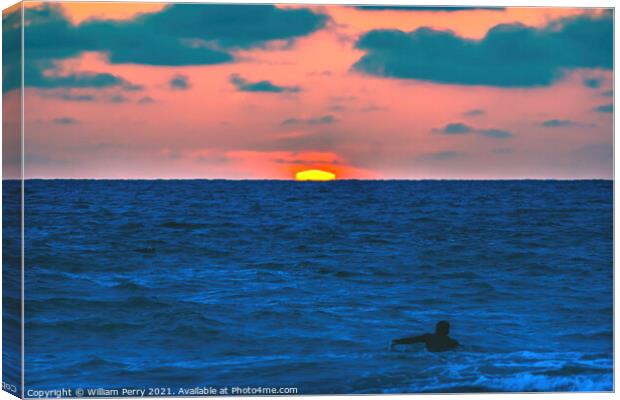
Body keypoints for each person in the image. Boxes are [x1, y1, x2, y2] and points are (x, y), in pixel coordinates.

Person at [391, 321, 459, 352]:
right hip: (444, 356)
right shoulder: (453, 342)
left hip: (429, 356)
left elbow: (412, 340)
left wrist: (398, 341)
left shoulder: (428, 337)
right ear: (448, 331)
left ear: (436, 329)